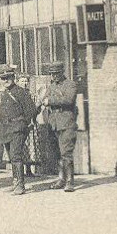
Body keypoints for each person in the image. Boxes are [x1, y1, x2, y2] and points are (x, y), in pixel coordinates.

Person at [0, 65, 37, 195]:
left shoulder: (21, 92)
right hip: (6, 129)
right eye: (3, 78)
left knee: (16, 156)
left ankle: (20, 185)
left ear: (13, 78)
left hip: (18, 128)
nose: (5, 80)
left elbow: (31, 110)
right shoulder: (4, 93)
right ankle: (15, 182)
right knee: (12, 157)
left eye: (7, 78)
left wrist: (22, 123)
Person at [42, 62, 79, 192]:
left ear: (61, 72)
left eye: (56, 73)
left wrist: (51, 101)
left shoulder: (71, 84)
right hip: (54, 124)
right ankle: (61, 179)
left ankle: (70, 182)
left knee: (66, 153)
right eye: (52, 74)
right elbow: (43, 99)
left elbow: (69, 100)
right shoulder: (51, 86)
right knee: (57, 153)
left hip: (66, 123)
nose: (54, 76)